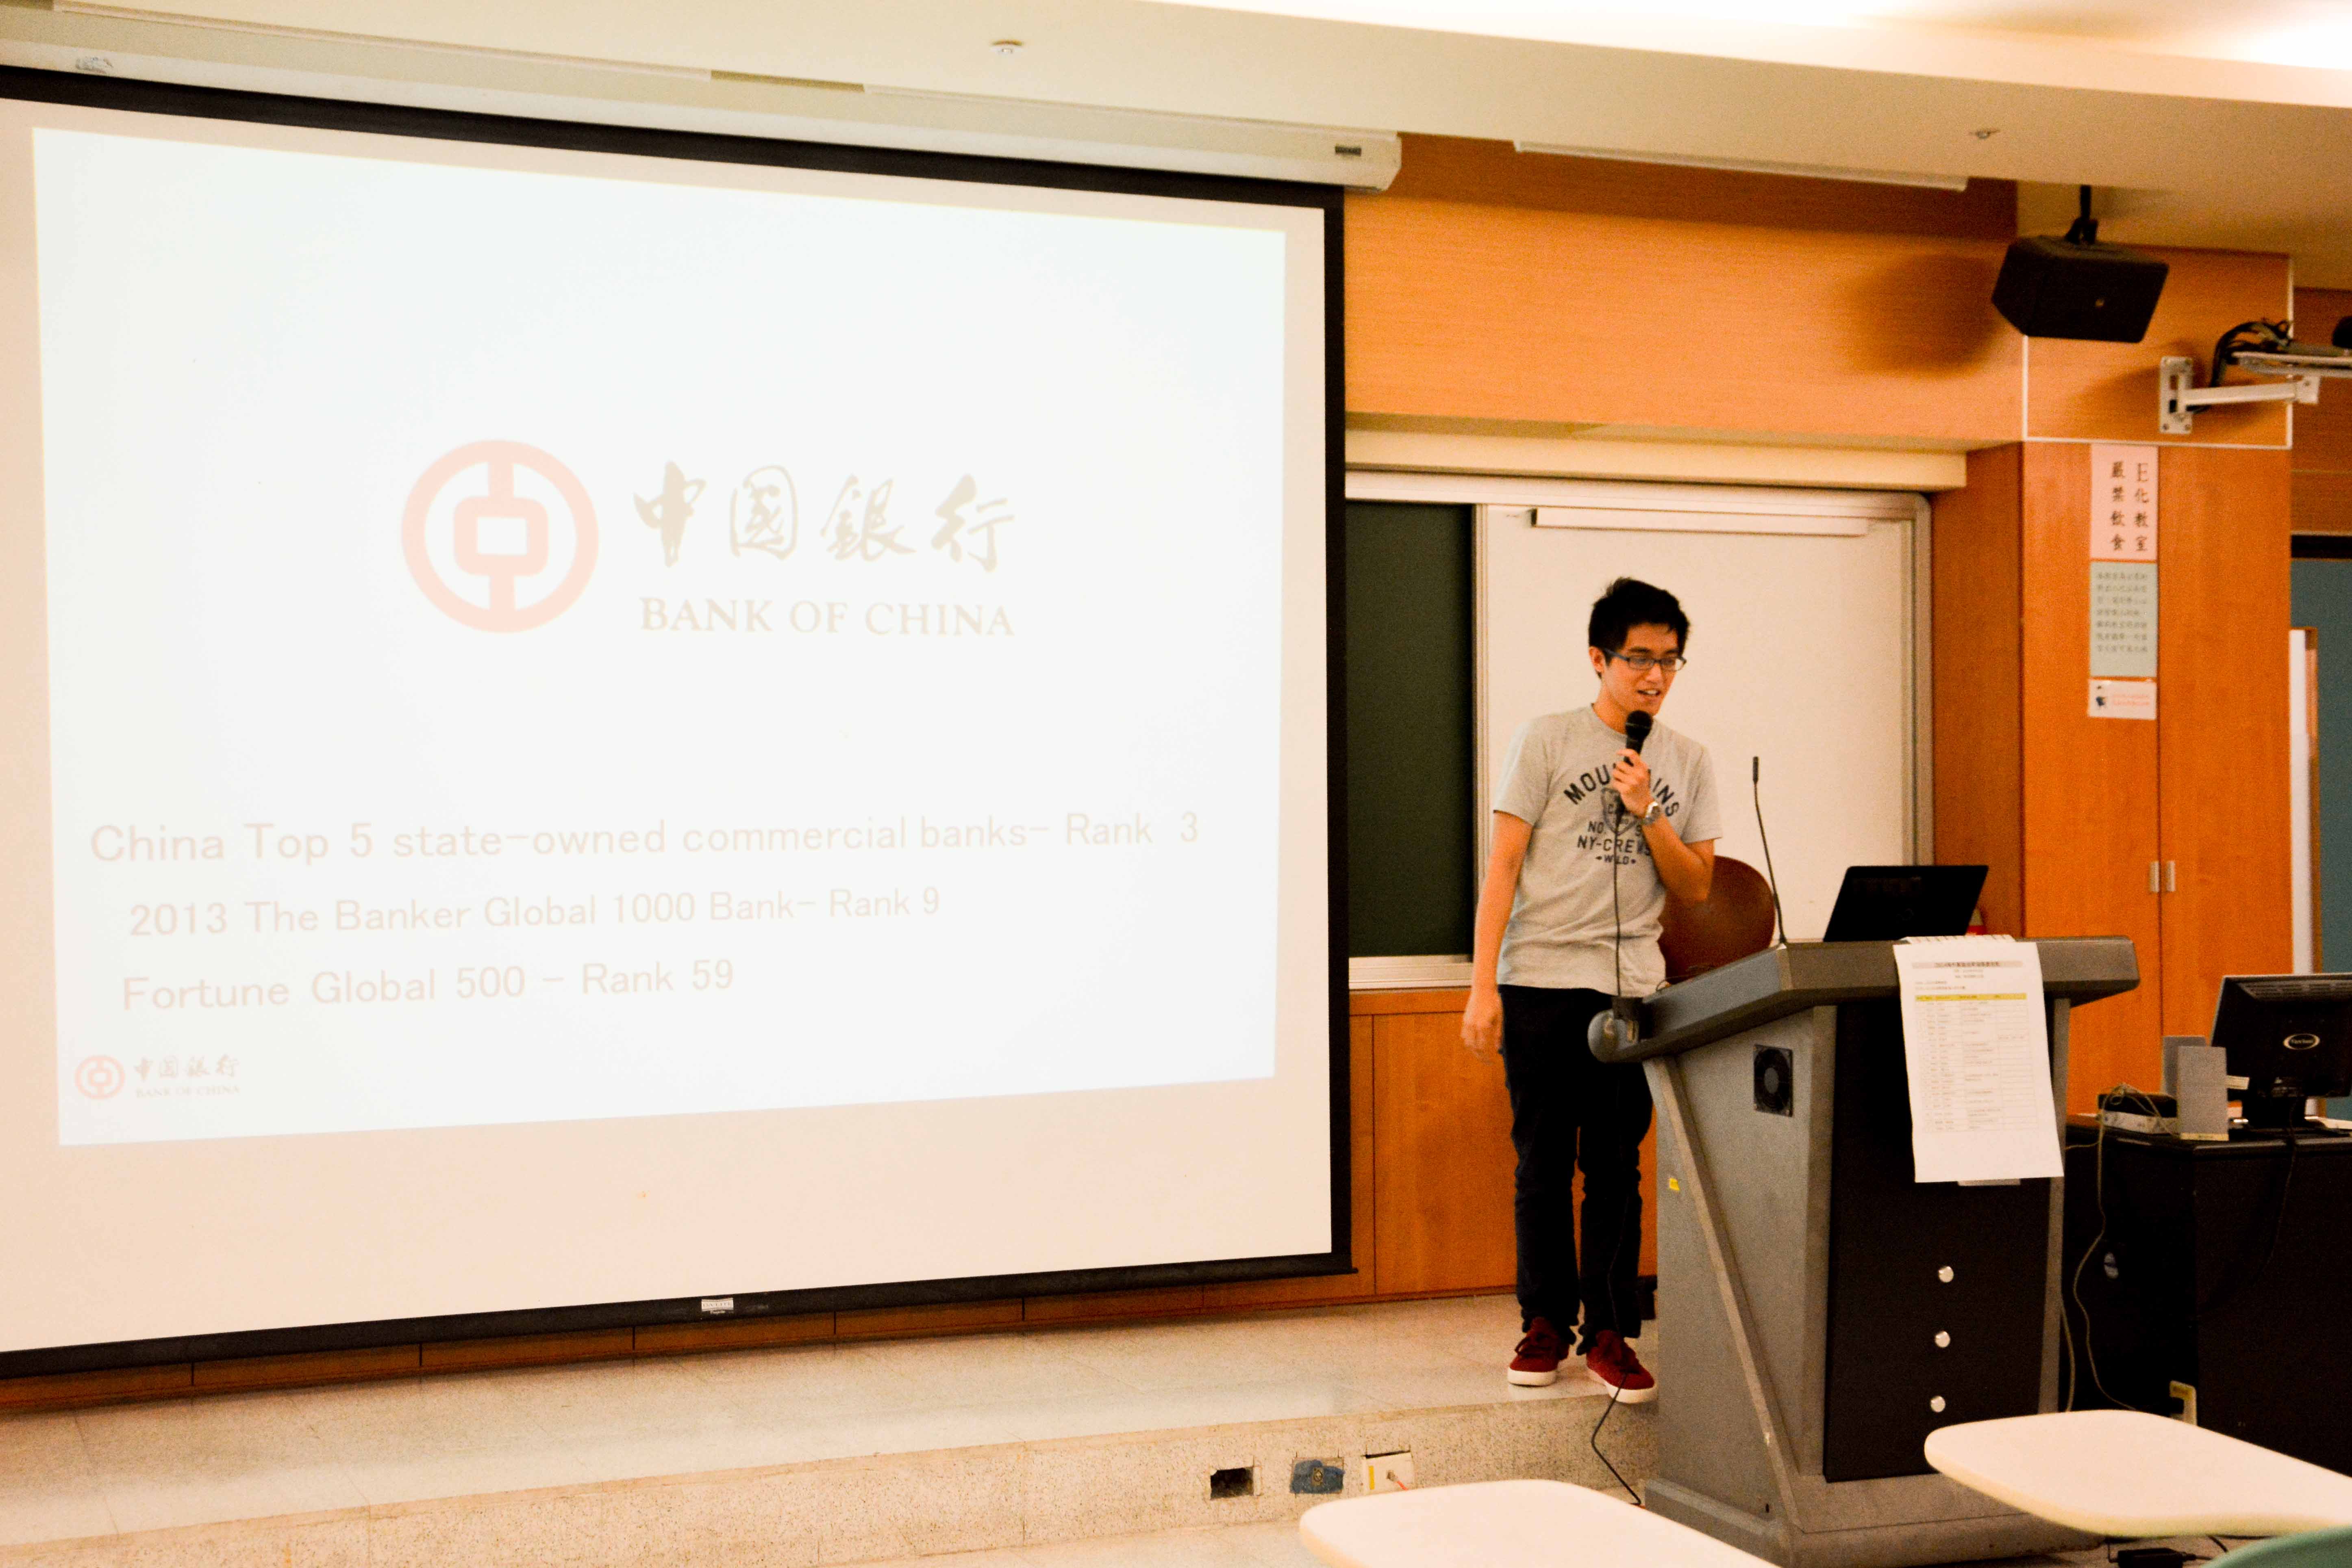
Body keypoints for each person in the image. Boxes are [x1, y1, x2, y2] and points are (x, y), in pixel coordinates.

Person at [1461, 576, 1720, 1401]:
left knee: (1615, 1168)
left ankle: (1610, 1331)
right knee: (1540, 1165)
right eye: (1638, 658)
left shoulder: (1687, 760)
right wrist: (1482, 986)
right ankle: (1544, 1322)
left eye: (1668, 661)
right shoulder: (1544, 741)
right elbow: (1502, 867)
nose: (1654, 676)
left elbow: (1696, 887)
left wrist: (1648, 811)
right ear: (1597, 658)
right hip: (1539, 979)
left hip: (1629, 990)